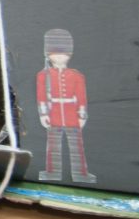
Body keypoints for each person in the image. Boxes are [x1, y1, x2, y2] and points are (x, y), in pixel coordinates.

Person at [36, 29, 96, 183]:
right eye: (54, 53)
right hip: (53, 113)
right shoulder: (43, 75)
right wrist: (43, 114)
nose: (58, 56)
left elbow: (81, 97)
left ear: (69, 54)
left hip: (71, 115)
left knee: (76, 146)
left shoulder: (76, 76)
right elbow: (42, 96)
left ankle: (80, 173)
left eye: (62, 53)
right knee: (53, 147)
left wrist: (82, 115)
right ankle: (52, 172)